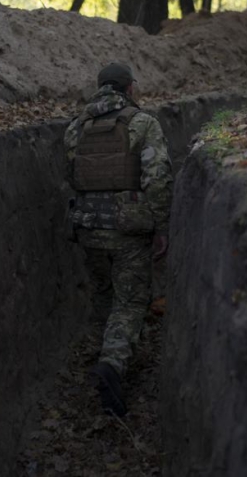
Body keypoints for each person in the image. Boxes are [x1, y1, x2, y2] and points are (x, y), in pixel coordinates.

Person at [64, 62, 173, 417]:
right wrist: (161, 227)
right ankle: (112, 364)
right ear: (129, 89)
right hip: (128, 229)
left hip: (87, 227)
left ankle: (103, 352)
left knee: (104, 294)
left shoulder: (76, 128)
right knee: (129, 302)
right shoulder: (143, 123)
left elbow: (72, 175)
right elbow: (157, 179)